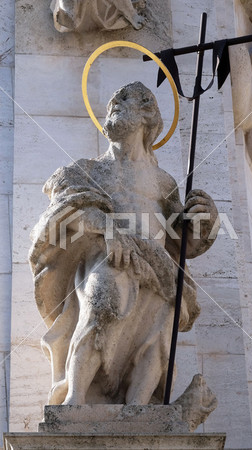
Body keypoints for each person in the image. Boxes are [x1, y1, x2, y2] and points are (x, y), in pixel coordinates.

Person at [29, 82, 218, 406]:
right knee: (103, 304)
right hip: (109, 256)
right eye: (112, 102)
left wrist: (205, 220)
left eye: (124, 100)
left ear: (148, 114)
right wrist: (105, 228)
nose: (113, 103)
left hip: (158, 267)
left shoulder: (163, 182)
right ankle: (74, 400)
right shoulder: (87, 170)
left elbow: (182, 243)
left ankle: (139, 409)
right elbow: (60, 215)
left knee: (160, 335)